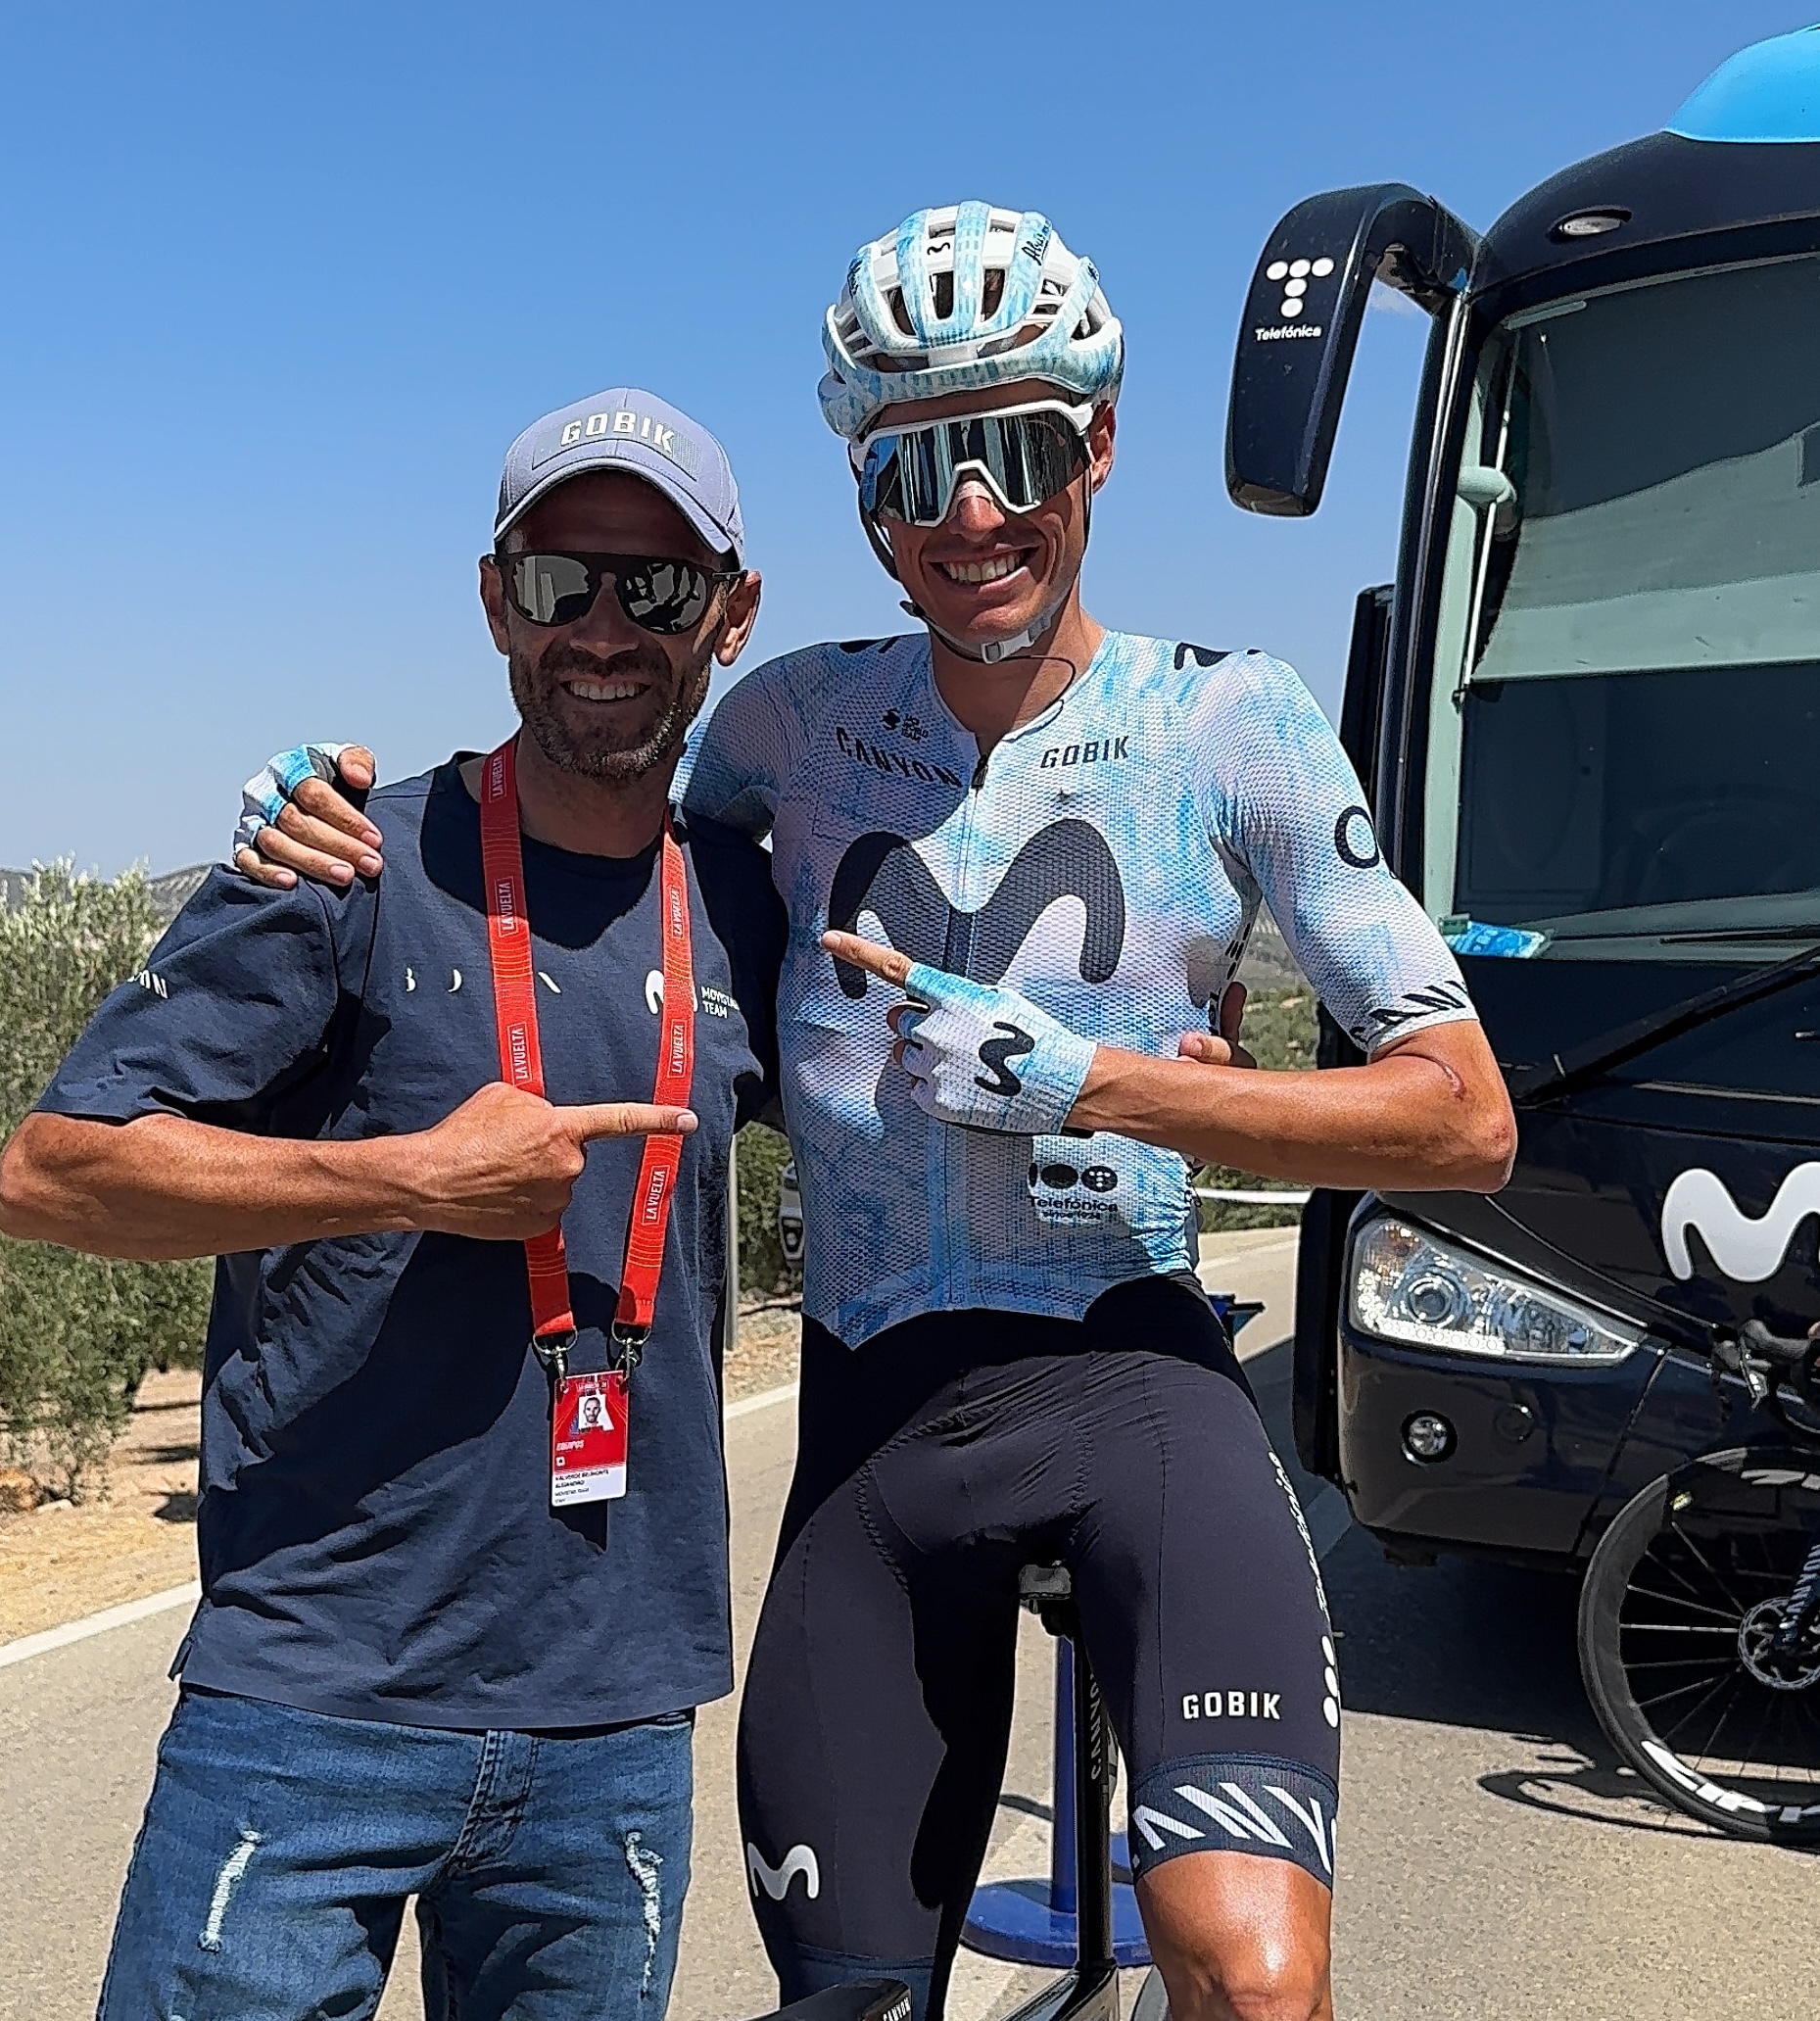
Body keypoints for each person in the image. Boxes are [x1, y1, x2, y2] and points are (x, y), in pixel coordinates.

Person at [229, 204, 1516, 2021]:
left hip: (1137, 1374)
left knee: (1251, 1969)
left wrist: (1114, 1082)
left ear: (1101, 448)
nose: (972, 512)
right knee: (843, 2003)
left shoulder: (1235, 724)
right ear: (864, 497)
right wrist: (333, 811)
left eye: (1018, 449)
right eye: (920, 463)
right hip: (877, 1410)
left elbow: (1464, 1117)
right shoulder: (785, 727)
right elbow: (581, 787)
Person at [0, 388, 782, 2021]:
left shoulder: (749, 908)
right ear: (498, 601)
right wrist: (407, 1180)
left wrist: (1162, 1040)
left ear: (732, 613)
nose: (609, 628)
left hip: (613, 1720)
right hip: (310, 1705)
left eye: (658, 585)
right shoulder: (348, 862)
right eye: (565, 581)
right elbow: (54, 1172)